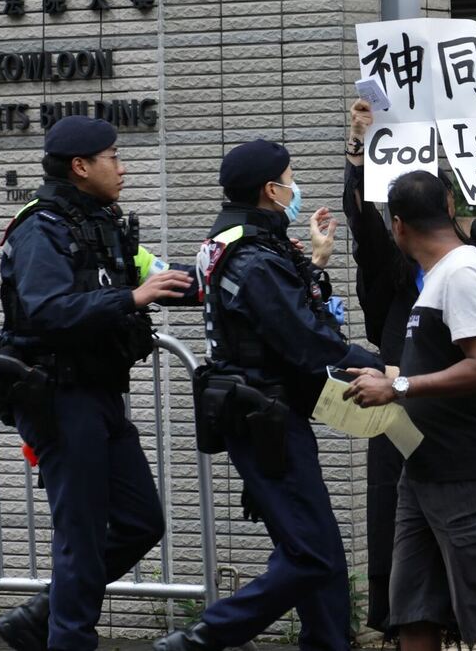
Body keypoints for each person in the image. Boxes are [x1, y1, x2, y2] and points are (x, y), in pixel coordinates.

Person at [343, 93, 476, 650]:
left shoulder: (469, 267)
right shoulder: (410, 270)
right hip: (417, 454)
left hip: (468, 451)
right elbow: (366, 231)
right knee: (413, 602)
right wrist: (359, 152)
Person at [154, 139, 384, 651]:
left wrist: (316, 261)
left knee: (315, 549)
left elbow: (293, 309)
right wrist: (379, 365)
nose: (294, 185)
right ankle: (201, 639)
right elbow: (305, 338)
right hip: (265, 414)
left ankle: (328, 643)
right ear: (269, 189)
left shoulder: (234, 240)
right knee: (312, 554)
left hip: (263, 411)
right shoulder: (253, 256)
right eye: (289, 176)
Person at [0, 116, 197, 651]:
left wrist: (238, 270)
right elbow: (46, 311)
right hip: (59, 397)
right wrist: (132, 299)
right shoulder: (40, 227)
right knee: (80, 538)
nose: (122, 167)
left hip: (101, 394)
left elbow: (164, 279)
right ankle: (68, 637)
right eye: (112, 157)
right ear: (81, 167)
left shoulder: (101, 222)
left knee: (140, 521)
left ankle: (43, 614)